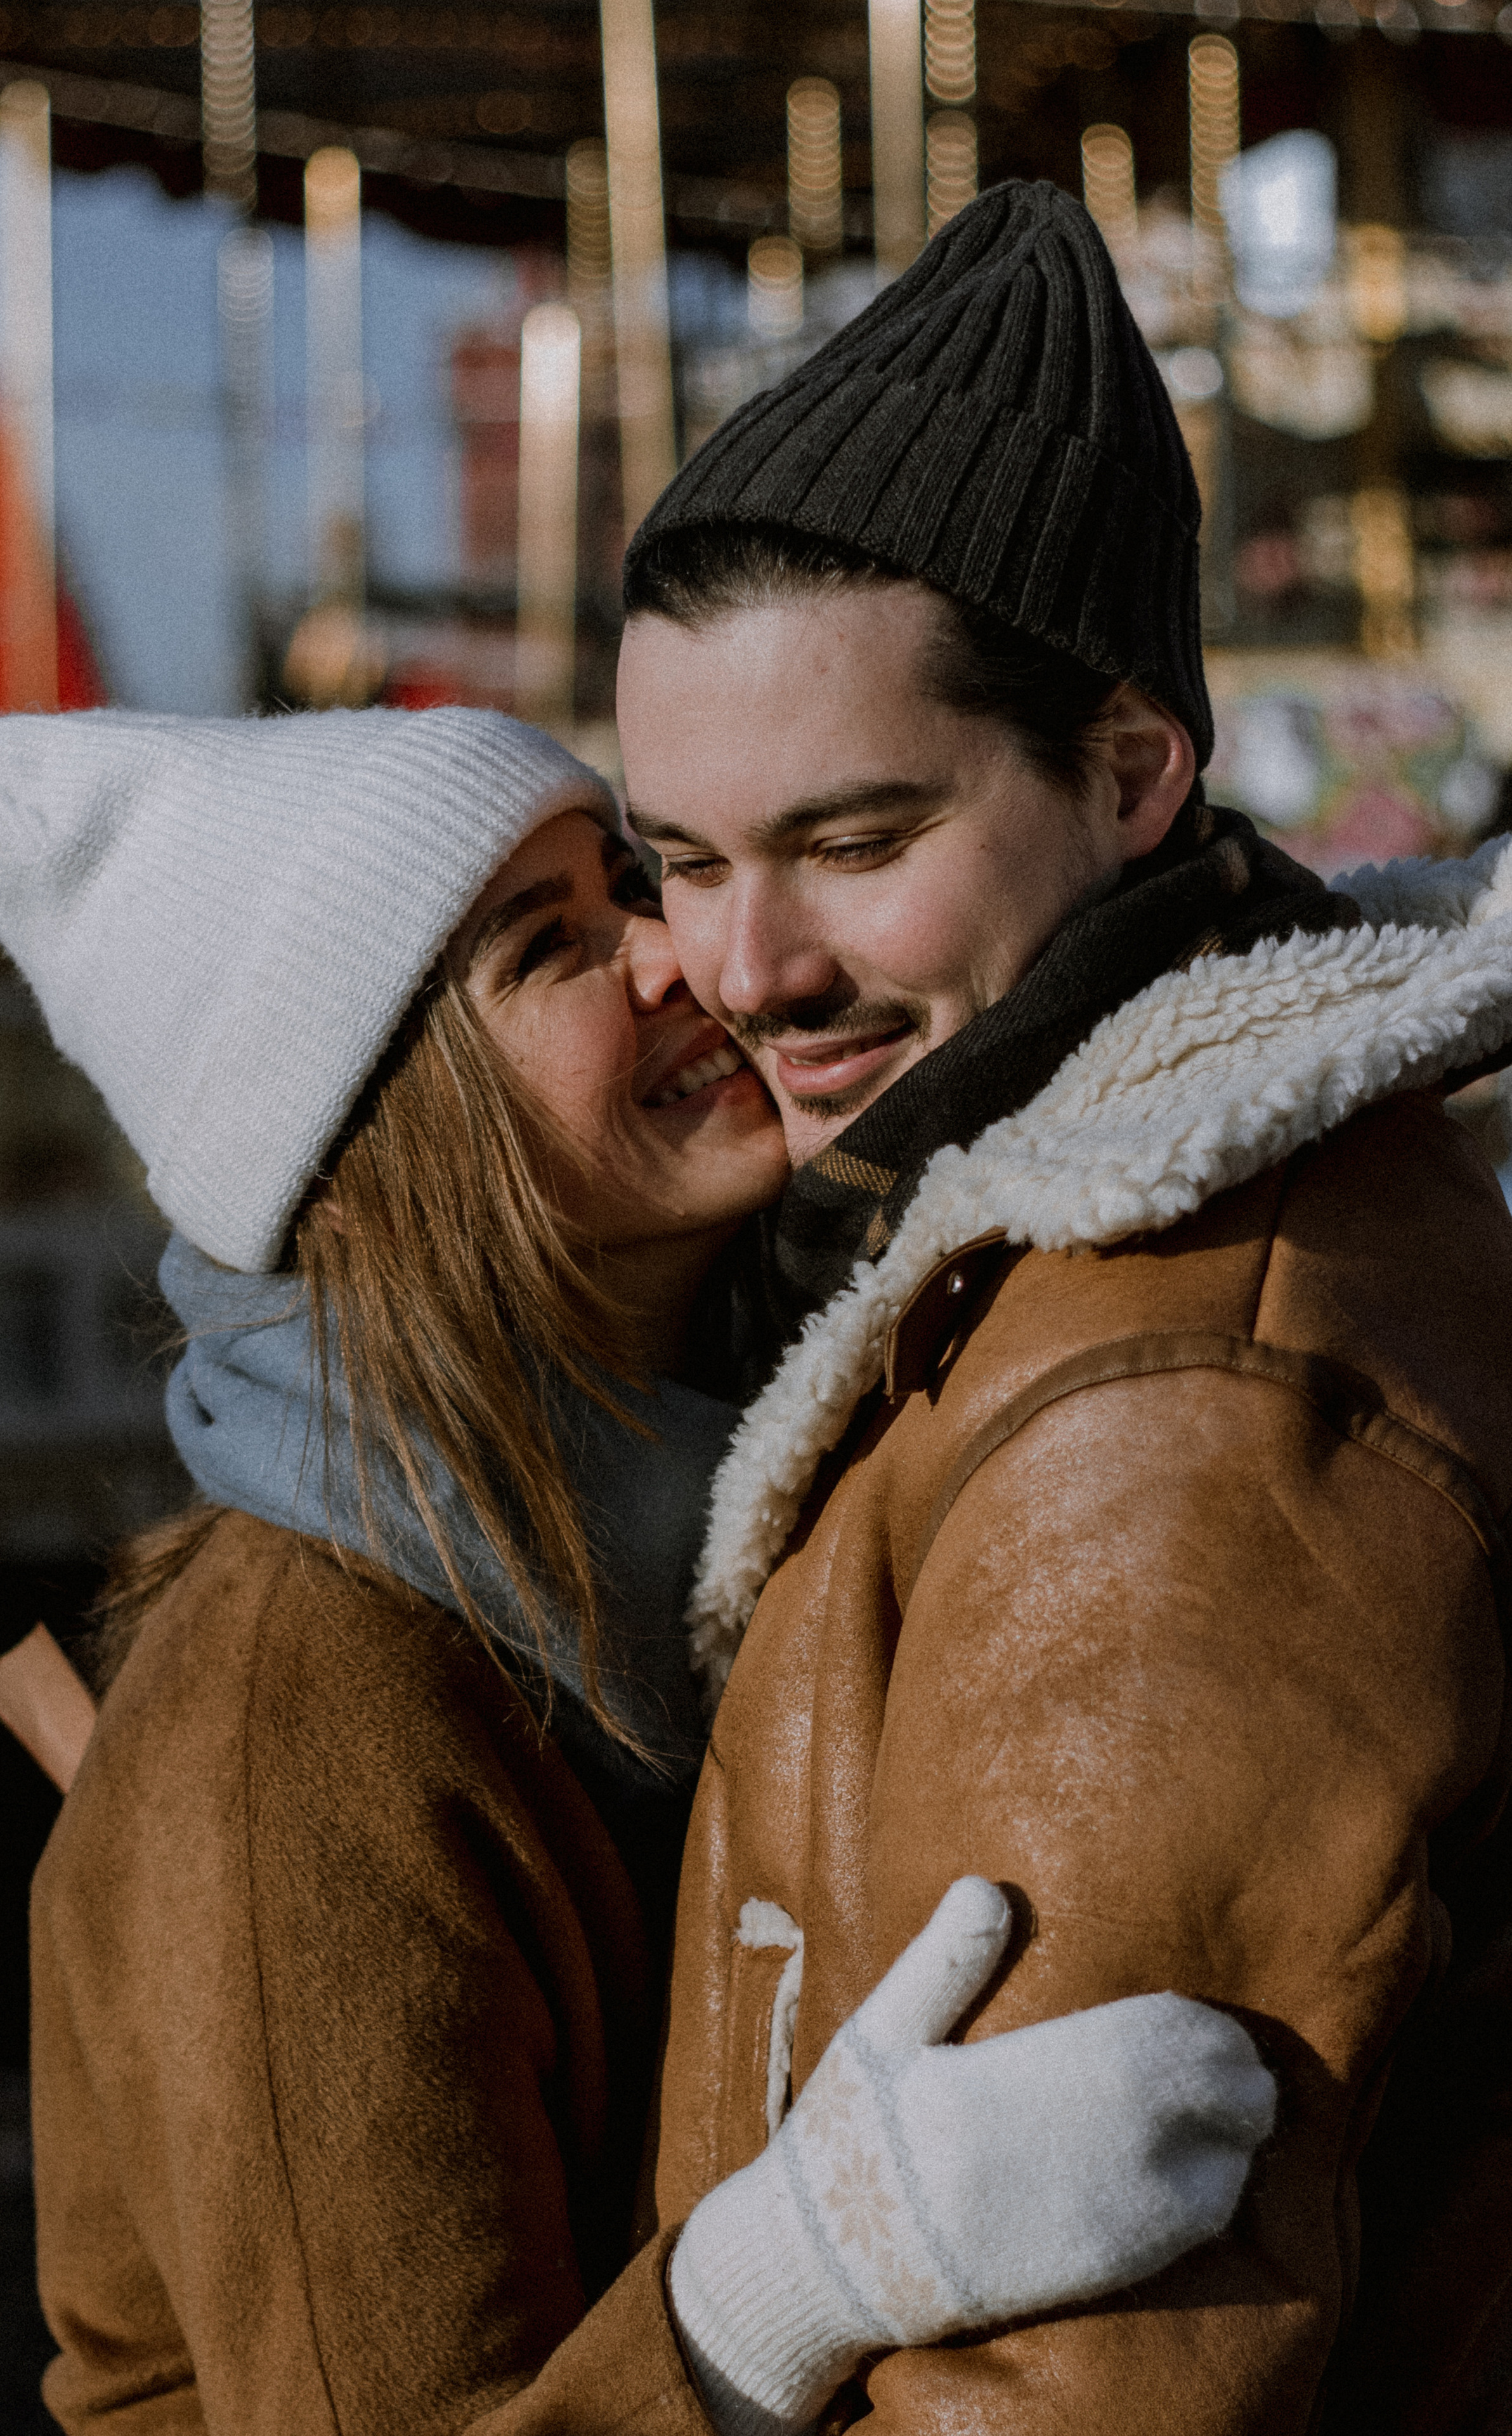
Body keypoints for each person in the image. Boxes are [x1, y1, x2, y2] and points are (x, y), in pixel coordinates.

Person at [0, 705, 1274, 2436]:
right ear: (366, 1143)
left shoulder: (677, 1517)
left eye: (629, 883)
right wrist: (795, 2278)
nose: (680, 955)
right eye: (551, 949)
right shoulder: (305, 1708)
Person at [615, 180, 1512, 2433]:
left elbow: (1074, 2370)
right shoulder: (1082, 1241)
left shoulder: (1166, 1398)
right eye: (683, 859)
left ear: (1129, 775)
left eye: (852, 840)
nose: (744, 972)